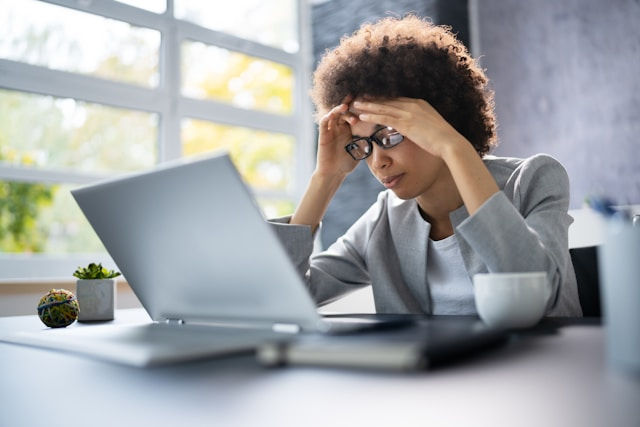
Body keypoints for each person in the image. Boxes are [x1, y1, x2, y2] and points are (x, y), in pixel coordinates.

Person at [269, 15, 582, 316]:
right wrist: (325, 177)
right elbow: (285, 298)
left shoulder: (533, 179)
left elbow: (539, 294)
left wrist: (453, 146)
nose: (378, 161)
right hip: (429, 371)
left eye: (390, 135)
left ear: (440, 120)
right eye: (363, 145)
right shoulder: (384, 221)